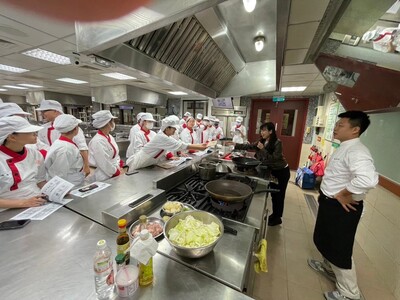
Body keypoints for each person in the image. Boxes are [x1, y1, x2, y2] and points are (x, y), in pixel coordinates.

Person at [308, 111, 378, 300]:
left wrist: (344, 193)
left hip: (342, 208)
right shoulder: (345, 146)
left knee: (340, 249)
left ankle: (350, 294)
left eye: (341, 125)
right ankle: (329, 268)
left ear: (355, 130)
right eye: (337, 124)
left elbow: (368, 179)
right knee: (326, 240)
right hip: (330, 204)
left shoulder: (357, 151)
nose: (336, 128)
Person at [233, 122, 290, 226]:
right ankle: (274, 214)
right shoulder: (262, 141)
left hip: (281, 171)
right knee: (274, 194)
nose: (262, 132)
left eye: (264, 130)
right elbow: (249, 145)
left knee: (279, 195)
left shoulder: (277, 143)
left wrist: (262, 149)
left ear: (271, 131)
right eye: (261, 130)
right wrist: (235, 145)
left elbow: (274, 159)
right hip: (272, 171)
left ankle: (278, 218)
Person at [126, 116, 208, 170]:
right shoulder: (161, 137)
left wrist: (201, 145)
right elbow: (180, 145)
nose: (175, 131)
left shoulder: (164, 136)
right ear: (167, 128)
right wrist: (200, 147)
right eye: (173, 129)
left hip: (148, 164)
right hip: (139, 164)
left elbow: (178, 143)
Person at [0, 116, 46, 208]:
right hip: (8, 210)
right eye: (29, 132)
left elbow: (40, 181)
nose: (35, 134)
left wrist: (55, 191)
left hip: (38, 202)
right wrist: (24, 203)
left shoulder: (35, 154)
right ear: (12, 137)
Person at [35, 99, 90, 177]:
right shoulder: (43, 129)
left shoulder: (70, 126)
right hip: (50, 166)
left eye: (44, 111)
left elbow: (82, 147)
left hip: (70, 166)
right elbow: (40, 147)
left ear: (55, 111)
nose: (42, 114)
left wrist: (86, 165)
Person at [44, 114, 84, 186]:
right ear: (75, 129)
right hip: (69, 183)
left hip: (73, 180)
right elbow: (60, 173)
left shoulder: (62, 143)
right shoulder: (65, 149)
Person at [88, 110, 122, 182]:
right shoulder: (97, 141)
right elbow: (104, 162)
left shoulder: (109, 136)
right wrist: (115, 172)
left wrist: (119, 163)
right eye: (112, 121)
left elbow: (116, 155)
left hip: (114, 172)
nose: (113, 123)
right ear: (107, 123)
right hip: (104, 176)